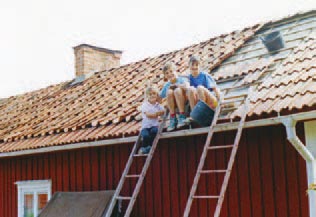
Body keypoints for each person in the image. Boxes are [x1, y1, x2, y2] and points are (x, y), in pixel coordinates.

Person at [160, 62, 189, 131]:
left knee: (177, 90)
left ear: (175, 71)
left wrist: (177, 85)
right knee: (169, 92)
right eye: (167, 73)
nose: (169, 74)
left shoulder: (181, 79)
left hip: (184, 101)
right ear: (165, 76)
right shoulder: (167, 85)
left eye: (171, 71)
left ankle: (182, 116)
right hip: (175, 104)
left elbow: (187, 87)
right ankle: (173, 118)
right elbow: (159, 97)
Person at [139, 87, 165, 154]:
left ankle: (149, 147)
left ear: (157, 95)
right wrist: (157, 114)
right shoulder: (145, 105)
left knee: (154, 131)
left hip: (154, 125)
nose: (152, 95)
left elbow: (163, 111)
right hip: (145, 126)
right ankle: (143, 147)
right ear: (147, 96)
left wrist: (159, 112)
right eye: (150, 94)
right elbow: (148, 115)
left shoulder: (158, 105)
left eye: (154, 94)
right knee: (145, 135)